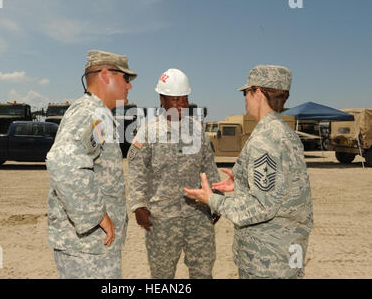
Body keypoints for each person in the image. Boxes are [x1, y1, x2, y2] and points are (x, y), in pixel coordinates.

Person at [184, 65, 313, 279]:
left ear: (258, 93)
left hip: (268, 259)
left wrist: (211, 200)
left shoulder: (265, 138)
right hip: (289, 250)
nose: (244, 99)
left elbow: (261, 207)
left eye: (246, 93)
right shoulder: (284, 132)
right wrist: (243, 181)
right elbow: (283, 185)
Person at [46, 50, 137, 279]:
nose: (129, 87)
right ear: (106, 75)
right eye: (126, 79)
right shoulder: (89, 112)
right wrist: (95, 214)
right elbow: (63, 162)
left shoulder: (100, 113)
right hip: (86, 247)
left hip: (92, 245)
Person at [127, 68, 221, 279]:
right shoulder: (148, 132)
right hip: (161, 220)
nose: (180, 105)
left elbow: (209, 167)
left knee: (203, 273)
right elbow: (137, 171)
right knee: (162, 275)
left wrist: (216, 199)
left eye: (184, 99)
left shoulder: (198, 131)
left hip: (198, 217)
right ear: (162, 100)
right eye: (175, 100)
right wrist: (138, 206)